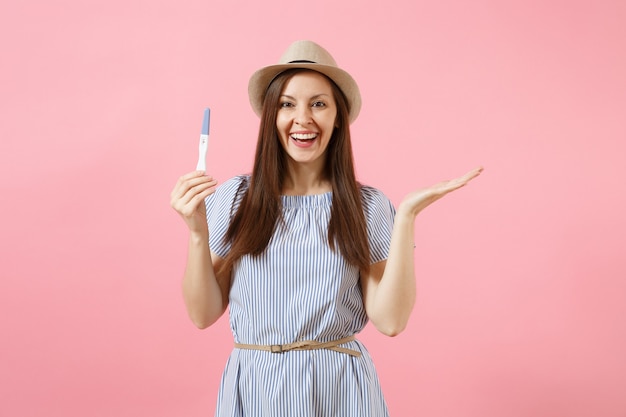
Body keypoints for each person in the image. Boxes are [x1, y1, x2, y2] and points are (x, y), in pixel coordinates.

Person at [170, 40, 482, 417]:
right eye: (287, 104)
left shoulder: (366, 207)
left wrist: (406, 218)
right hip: (256, 390)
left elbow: (391, 320)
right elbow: (203, 314)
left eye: (318, 103)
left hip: (340, 392)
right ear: (271, 116)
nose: (303, 119)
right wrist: (197, 232)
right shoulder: (236, 198)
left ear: (338, 117)